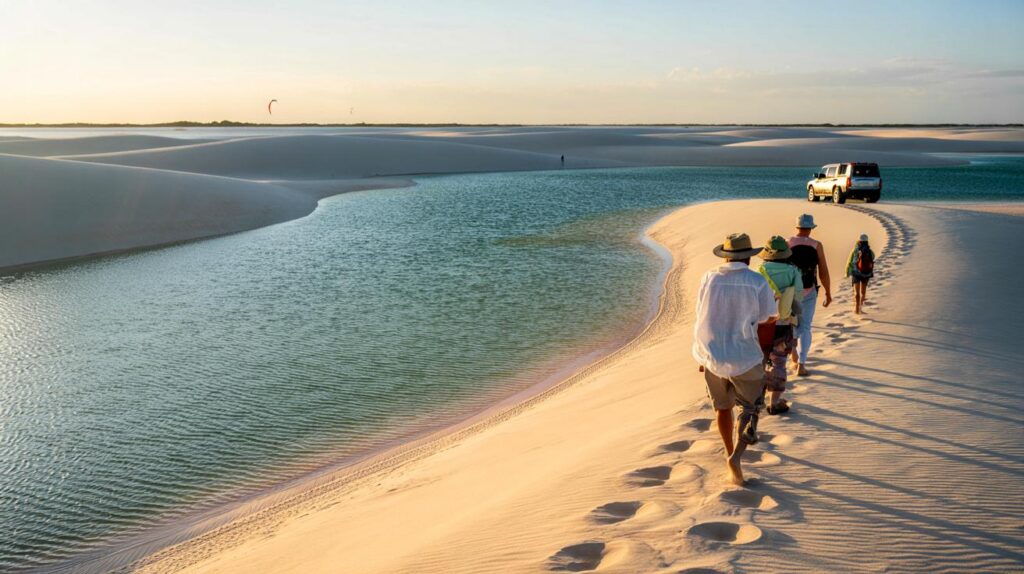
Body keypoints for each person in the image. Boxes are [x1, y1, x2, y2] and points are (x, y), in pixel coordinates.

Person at [693, 232, 778, 485]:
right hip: (745, 355)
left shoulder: (709, 277)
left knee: (722, 407)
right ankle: (736, 456)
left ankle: (727, 450)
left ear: (726, 257)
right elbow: (768, 317)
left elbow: (700, 314)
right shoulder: (757, 281)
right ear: (748, 258)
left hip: (713, 353)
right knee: (750, 408)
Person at [757, 236, 804, 415]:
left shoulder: (760, 270)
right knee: (779, 363)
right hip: (784, 324)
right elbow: (798, 297)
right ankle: (774, 402)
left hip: (762, 325)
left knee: (759, 361)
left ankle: (757, 397)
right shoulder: (793, 271)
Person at [788, 214, 831, 376]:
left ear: (797, 227)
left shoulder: (788, 243)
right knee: (805, 327)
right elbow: (823, 272)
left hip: (791, 292)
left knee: (792, 324)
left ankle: (793, 352)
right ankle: (801, 364)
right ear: (811, 228)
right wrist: (827, 292)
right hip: (809, 291)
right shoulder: (816, 245)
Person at [846, 233, 875, 315]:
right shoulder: (870, 251)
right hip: (866, 273)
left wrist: (847, 272)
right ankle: (860, 308)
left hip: (856, 274)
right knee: (863, 292)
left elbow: (849, 262)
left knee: (857, 293)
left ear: (859, 241)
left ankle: (856, 310)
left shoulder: (855, 250)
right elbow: (873, 257)